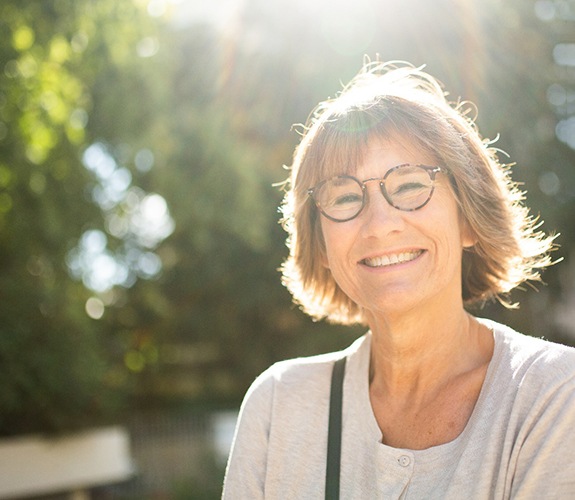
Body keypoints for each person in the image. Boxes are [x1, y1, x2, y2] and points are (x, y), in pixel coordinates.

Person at [222, 61, 575, 499]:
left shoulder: (554, 396)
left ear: (469, 219)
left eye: (409, 186)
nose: (379, 224)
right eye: (346, 197)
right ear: (323, 245)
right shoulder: (277, 406)